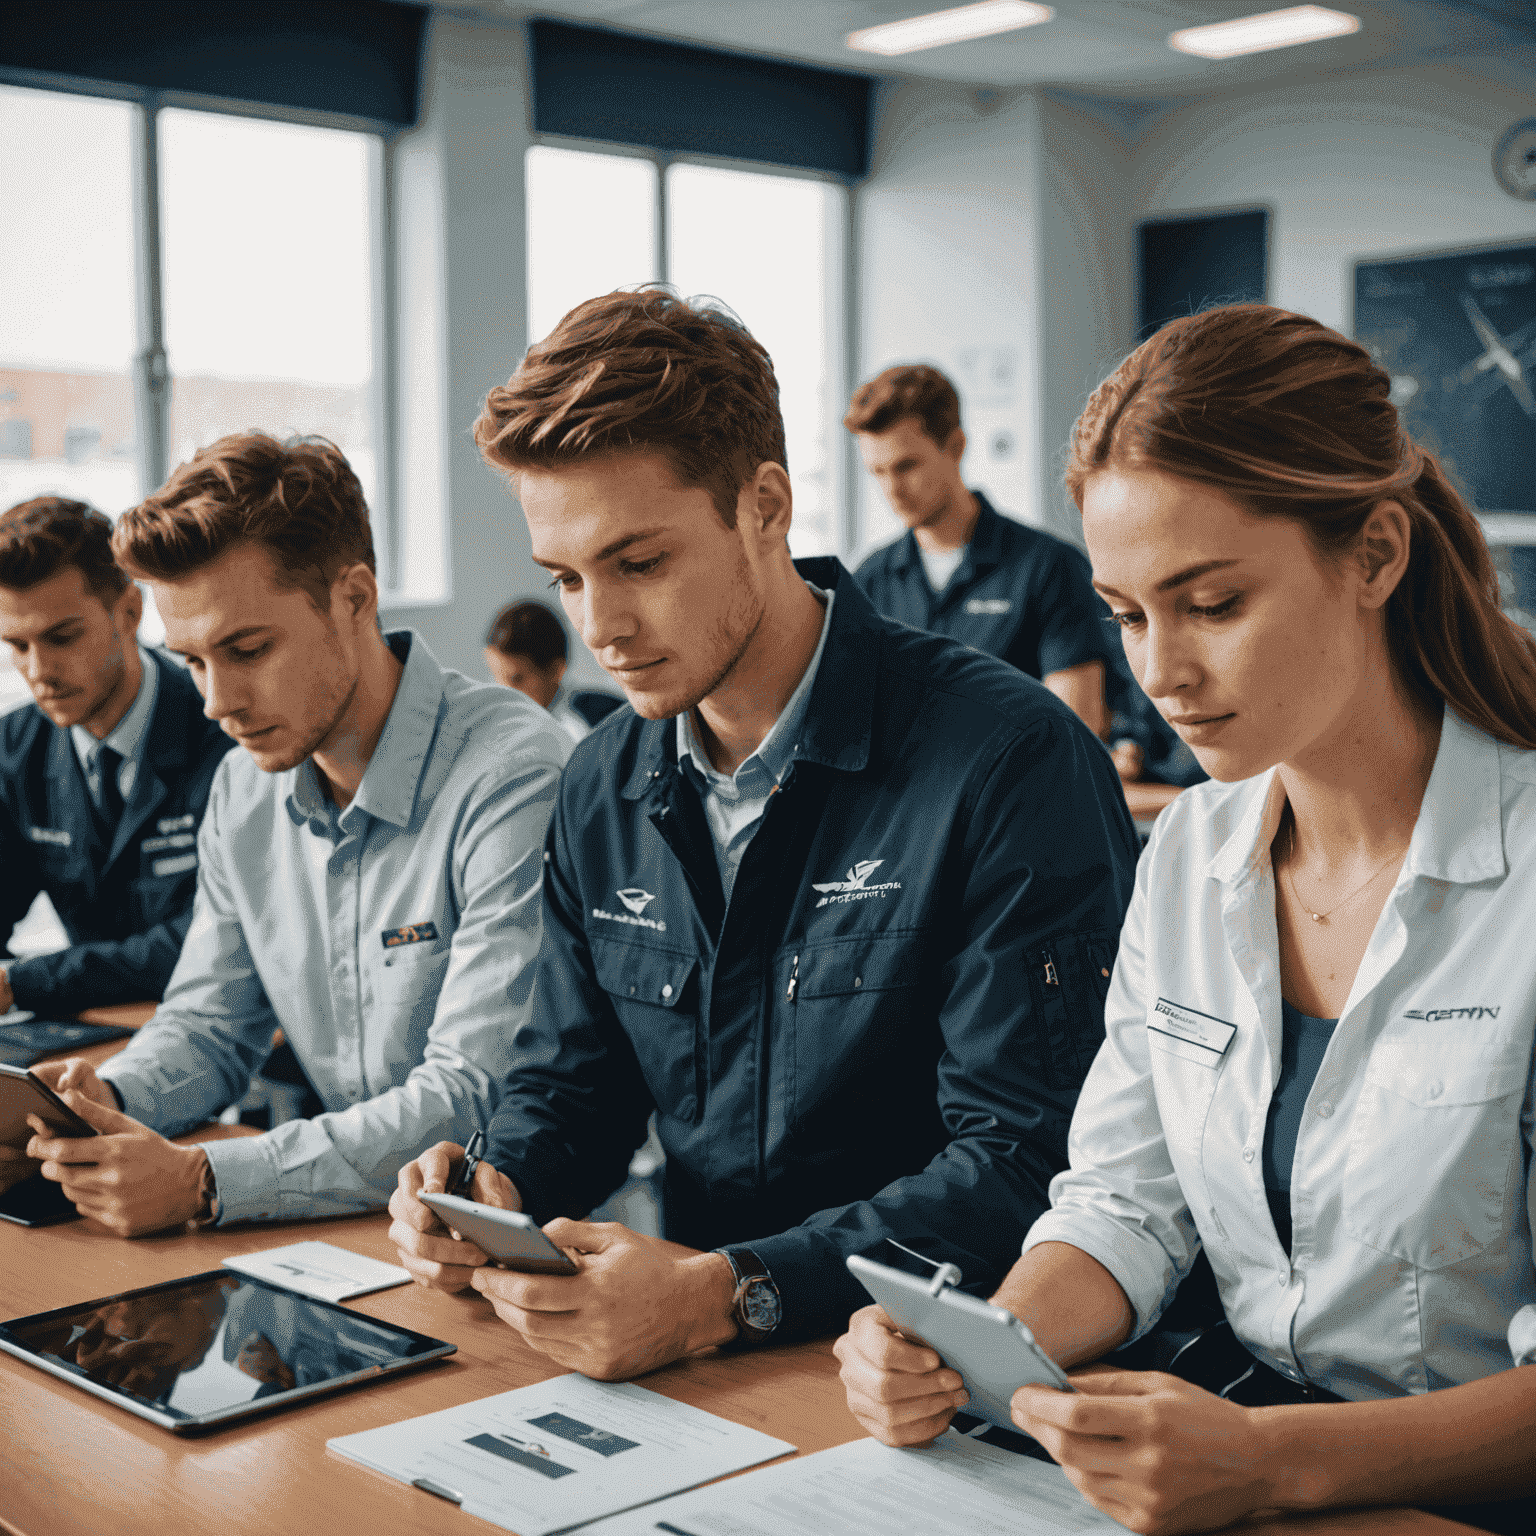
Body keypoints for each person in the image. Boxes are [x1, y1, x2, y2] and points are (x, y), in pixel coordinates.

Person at [834, 304, 1536, 1536]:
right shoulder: (1192, 854)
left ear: (1375, 555)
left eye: (1210, 604)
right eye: (1125, 613)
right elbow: (1125, 1202)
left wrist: (1275, 1464)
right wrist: (976, 1347)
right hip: (1236, 1455)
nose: (1158, 674)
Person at [386, 287, 1139, 1383]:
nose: (600, 629)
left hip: (931, 1373)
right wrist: (497, 1184)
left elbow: (1031, 1161)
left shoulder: (1008, 760)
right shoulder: (603, 780)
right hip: (685, 1350)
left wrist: (724, 1290)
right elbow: (573, 1084)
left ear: (766, 506)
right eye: (566, 578)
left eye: (640, 563)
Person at [24, 433, 565, 1236]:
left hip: (544, 1236)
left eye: (246, 650)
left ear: (354, 598)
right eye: (194, 662)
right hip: (366, 1224)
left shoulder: (512, 771)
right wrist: (110, 1096)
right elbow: (210, 1025)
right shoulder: (244, 787)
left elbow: (471, 1093)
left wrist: (207, 1180)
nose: (215, 701)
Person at [847, 364, 1201, 798]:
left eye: (906, 466)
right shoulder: (869, 581)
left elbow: (1074, 730)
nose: (892, 489)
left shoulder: (1048, 567)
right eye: (877, 472)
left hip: (1018, 806)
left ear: (955, 447)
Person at [0, 497, 233, 1016]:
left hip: (230, 1037)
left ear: (128, 611)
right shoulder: (13, 750)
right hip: (97, 1032)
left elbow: (205, 942)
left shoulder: (229, 730)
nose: (39, 670)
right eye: (17, 645)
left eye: (62, 637)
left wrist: (24, 982)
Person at [484, 598, 624, 744]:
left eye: (517, 679)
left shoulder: (594, 721)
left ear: (555, 669)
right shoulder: (505, 727)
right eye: (495, 677)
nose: (503, 692)